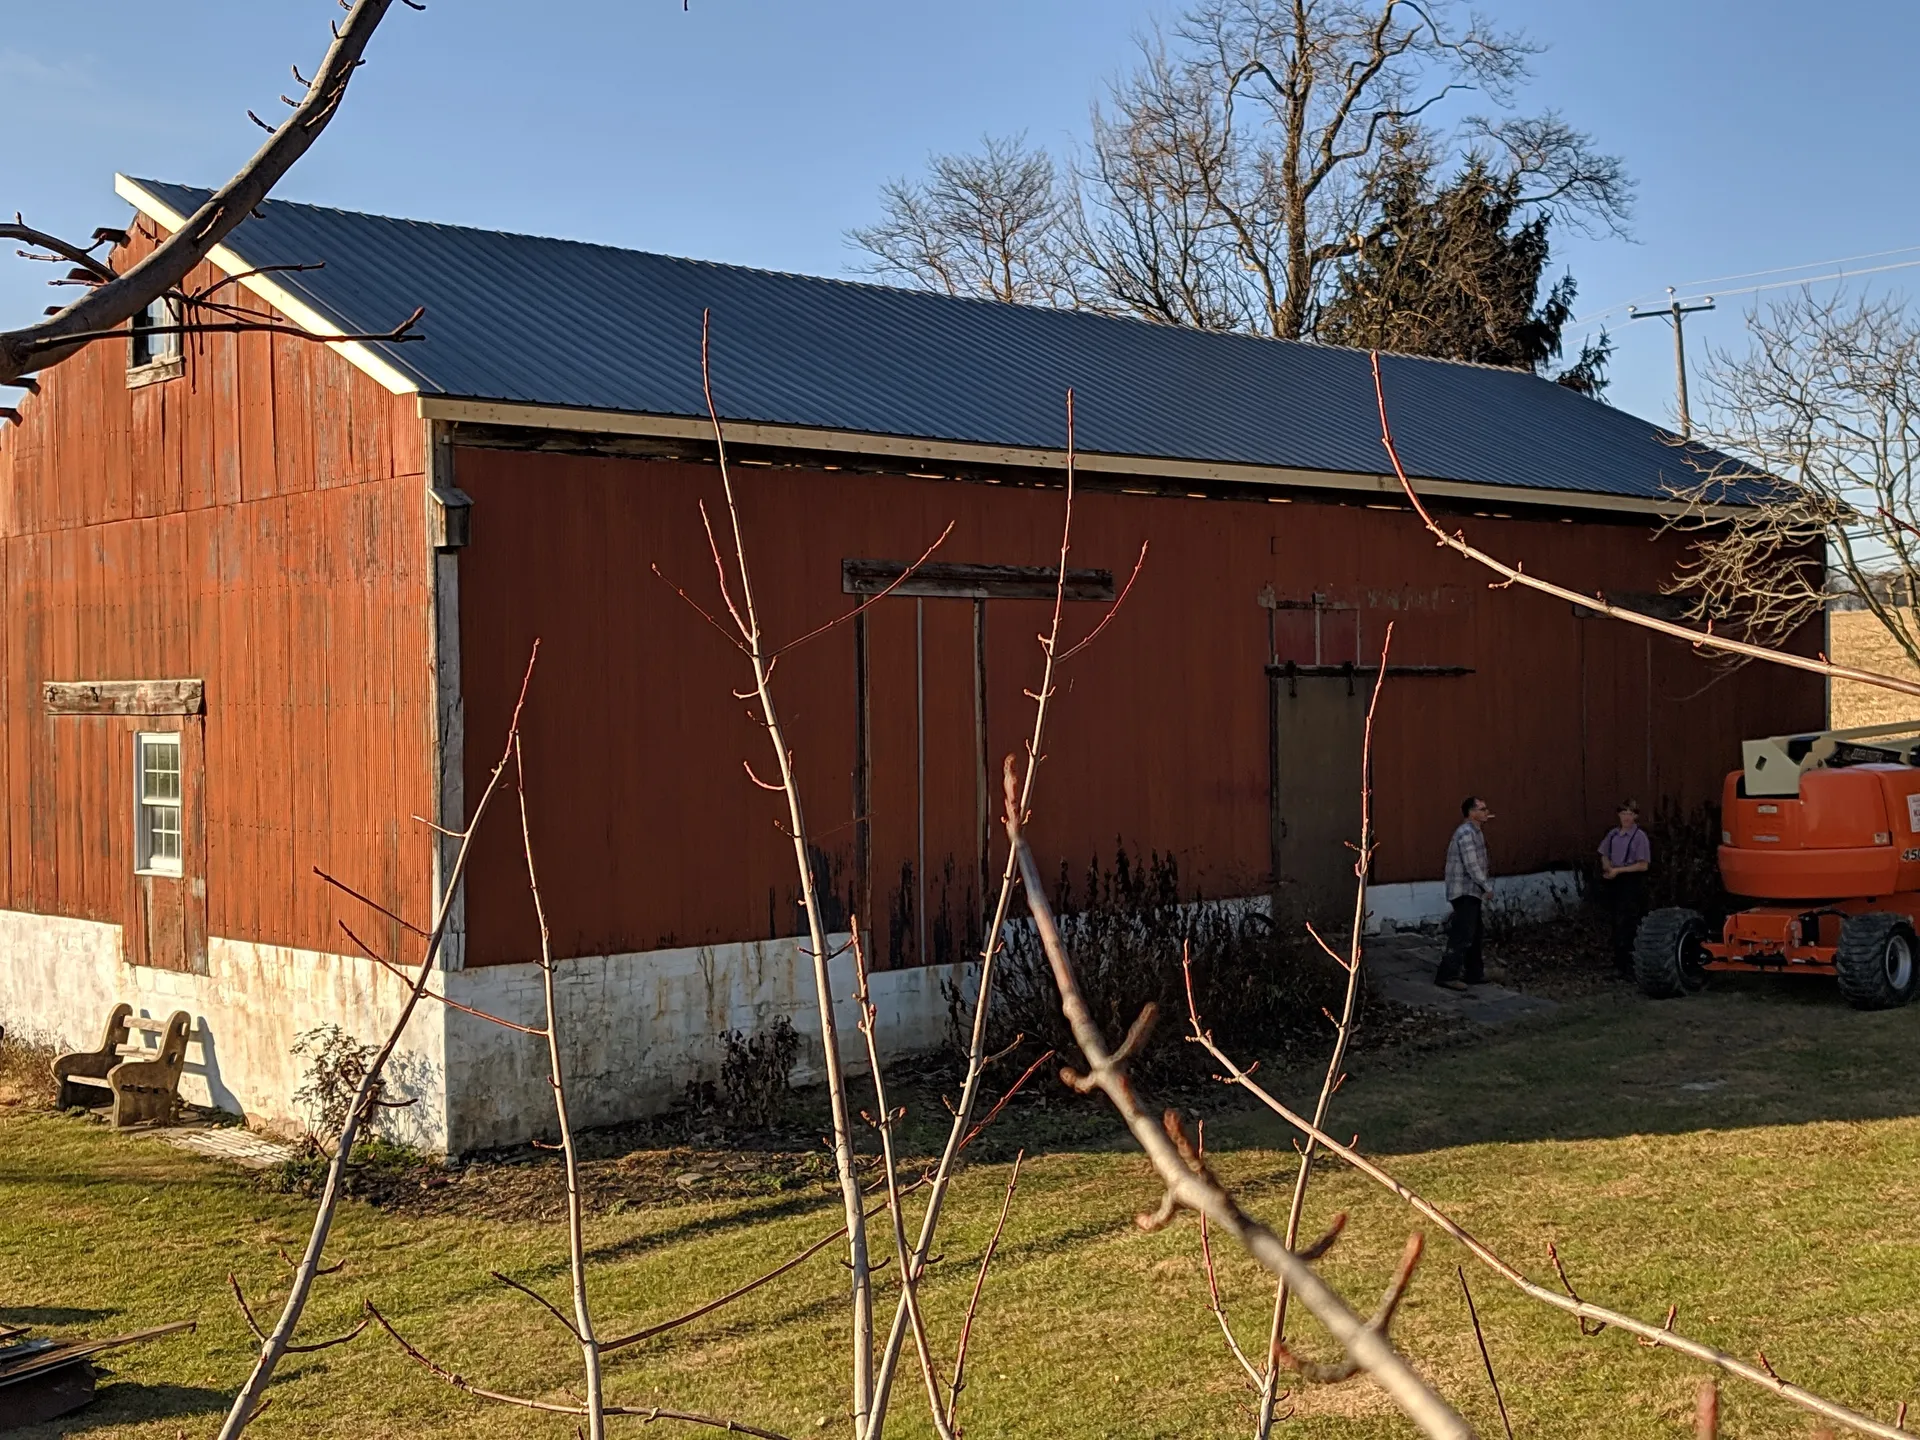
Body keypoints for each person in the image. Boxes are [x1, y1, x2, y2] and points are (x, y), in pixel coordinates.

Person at [1437, 796, 1504, 990]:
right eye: (1482, 809)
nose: (1486, 812)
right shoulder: (1466, 833)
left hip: (1471, 890)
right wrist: (1486, 886)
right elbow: (1472, 864)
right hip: (1464, 890)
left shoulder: (1476, 833)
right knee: (1463, 934)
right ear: (1471, 812)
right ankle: (1447, 975)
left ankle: (1474, 973)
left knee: (1475, 933)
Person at [1597, 800, 1652, 975]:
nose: (1626, 817)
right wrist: (1607, 866)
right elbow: (1603, 853)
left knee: (1629, 923)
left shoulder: (1639, 837)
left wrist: (1618, 870)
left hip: (1631, 882)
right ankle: (1618, 963)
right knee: (1615, 922)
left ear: (1635, 816)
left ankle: (1630, 966)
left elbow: (1643, 865)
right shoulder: (1613, 834)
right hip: (1615, 881)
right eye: (1623, 813)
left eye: (1630, 813)